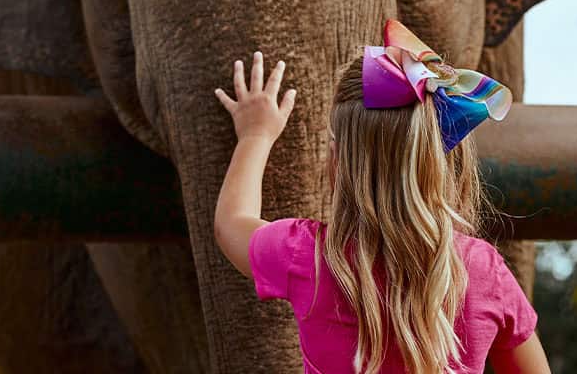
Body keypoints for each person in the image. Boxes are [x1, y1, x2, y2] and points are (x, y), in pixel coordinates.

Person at [213, 19, 551, 373]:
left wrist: (256, 135)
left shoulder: (306, 256)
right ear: (443, 163)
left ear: (338, 161)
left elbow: (230, 226)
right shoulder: (483, 269)